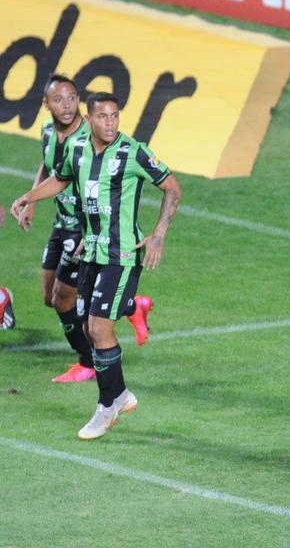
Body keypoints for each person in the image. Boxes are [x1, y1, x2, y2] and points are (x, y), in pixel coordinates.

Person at [10, 92, 182, 440]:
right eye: (103, 117)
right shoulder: (78, 150)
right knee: (89, 327)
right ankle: (118, 394)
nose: (110, 123)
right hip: (90, 254)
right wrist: (29, 196)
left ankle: (107, 406)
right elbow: (61, 178)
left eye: (115, 116)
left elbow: (172, 188)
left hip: (121, 255)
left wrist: (159, 233)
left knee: (100, 328)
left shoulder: (133, 151)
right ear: (89, 120)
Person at [14, 75, 154, 384]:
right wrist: (32, 200)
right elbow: (51, 166)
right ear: (45, 103)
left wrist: (88, 234)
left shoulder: (88, 137)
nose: (66, 106)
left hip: (84, 228)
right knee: (50, 298)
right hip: (60, 223)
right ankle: (132, 305)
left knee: (65, 299)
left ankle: (88, 362)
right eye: (58, 99)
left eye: (71, 98)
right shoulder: (49, 132)